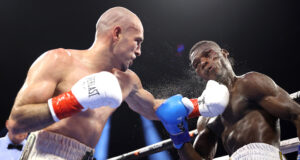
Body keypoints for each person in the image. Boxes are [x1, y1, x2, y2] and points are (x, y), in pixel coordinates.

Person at [6, 6, 162, 160]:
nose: (139, 51)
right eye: (137, 41)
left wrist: (186, 106)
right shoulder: (58, 61)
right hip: (45, 152)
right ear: (117, 33)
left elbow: (153, 108)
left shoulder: (128, 80)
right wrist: (72, 101)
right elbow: (17, 122)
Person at [162, 40, 300, 160]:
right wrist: (178, 135)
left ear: (224, 53)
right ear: (198, 73)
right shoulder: (205, 116)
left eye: (208, 54)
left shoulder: (251, 82)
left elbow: (296, 114)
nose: (203, 62)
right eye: (196, 64)